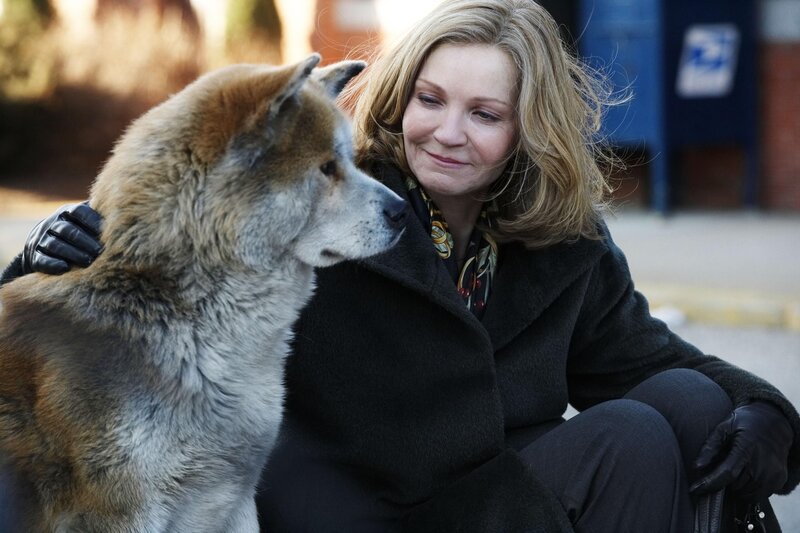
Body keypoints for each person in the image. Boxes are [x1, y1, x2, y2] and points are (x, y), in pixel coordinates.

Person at [1, 0, 798, 531]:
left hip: (492, 502)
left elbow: (652, 357)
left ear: (529, 131)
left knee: (693, 403)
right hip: (365, 513)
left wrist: (767, 412)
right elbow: (136, 305)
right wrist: (36, 262)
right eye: (431, 99)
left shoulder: (563, 242)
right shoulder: (326, 205)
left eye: (484, 114)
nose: (446, 131)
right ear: (402, 96)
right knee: (630, 436)